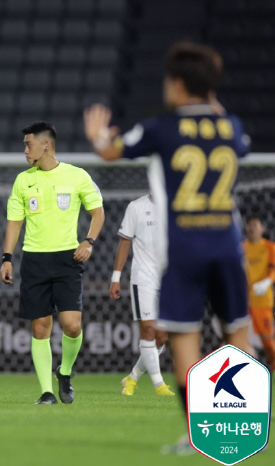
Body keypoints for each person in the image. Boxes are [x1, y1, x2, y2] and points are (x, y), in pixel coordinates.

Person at [84, 41, 251, 453]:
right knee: (238, 339)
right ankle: (246, 433)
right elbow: (239, 143)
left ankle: (201, 439)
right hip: (228, 248)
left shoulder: (163, 128)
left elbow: (110, 151)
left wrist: (98, 136)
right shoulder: (231, 125)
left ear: (177, 85)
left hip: (186, 251)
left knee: (185, 343)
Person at [0, 121, 105, 405]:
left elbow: (98, 213)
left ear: (46, 145)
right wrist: (7, 258)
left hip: (67, 258)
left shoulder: (77, 175)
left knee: (72, 325)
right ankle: (46, 392)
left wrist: (89, 241)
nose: (25, 150)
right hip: (34, 260)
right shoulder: (23, 180)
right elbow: (14, 222)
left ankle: (65, 371)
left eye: (29, 144)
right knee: (40, 327)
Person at [110, 194, 174, 396]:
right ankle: (159, 385)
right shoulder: (136, 207)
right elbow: (125, 243)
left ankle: (132, 378)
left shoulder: (176, 205)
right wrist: (116, 277)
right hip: (143, 278)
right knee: (148, 329)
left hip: (170, 278)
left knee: (161, 337)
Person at [243, 215, 275, 370]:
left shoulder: (269, 247)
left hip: (262, 301)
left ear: (262, 228)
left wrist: (267, 281)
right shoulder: (240, 247)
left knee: (268, 341)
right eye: (249, 225)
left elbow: (273, 270)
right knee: (241, 340)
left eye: (255, 224)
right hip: (243, 301)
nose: (252, 227)